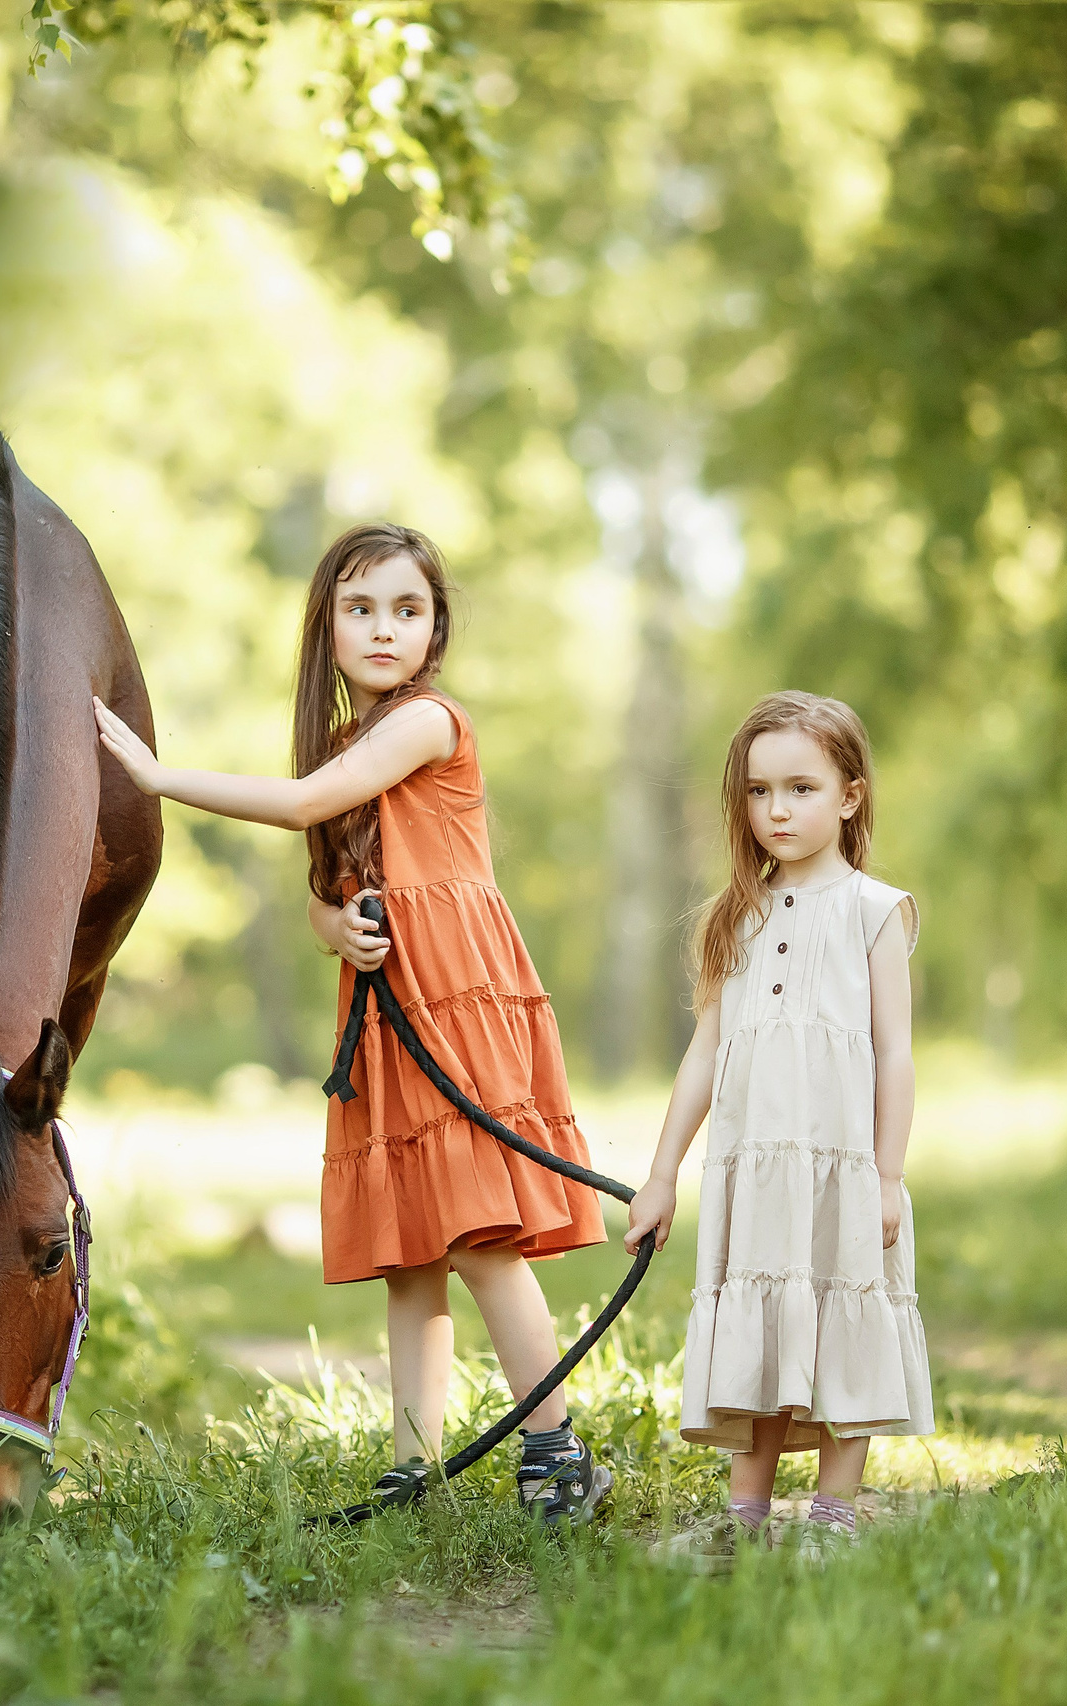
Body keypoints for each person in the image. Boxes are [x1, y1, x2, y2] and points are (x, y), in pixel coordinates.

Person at [93, 522, 614, 1526]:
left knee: (477, 1234)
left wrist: (160, 780)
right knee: (412, 1244)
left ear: (435, 628)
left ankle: (555, 1448)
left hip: (452, 992)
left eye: (406, 609)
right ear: (326, 626)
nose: (383, 629)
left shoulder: (427, 723)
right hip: (384, 1006)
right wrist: (337, 926)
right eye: (360, 608)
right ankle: (411, 1464)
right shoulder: (348, 743)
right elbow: (321, 889)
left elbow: (300, 807)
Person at [624, 690, 933, 1568]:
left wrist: (886, 1173)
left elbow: (894, 1055)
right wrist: (661, 1174)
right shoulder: (737, 916)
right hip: (753, 1166)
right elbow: (702, 1055)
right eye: (758, 792)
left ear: (850, 795)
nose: (777, 810)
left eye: (800, 787)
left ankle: (834, 1516)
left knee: (842, 1307)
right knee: (761, 1313)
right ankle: (745, 1515)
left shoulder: (877, 910)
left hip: (840, 1164)